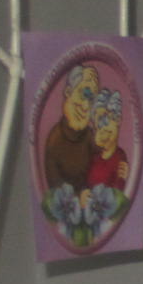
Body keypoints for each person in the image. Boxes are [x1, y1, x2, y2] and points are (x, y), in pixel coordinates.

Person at [43, 64, 99, 192]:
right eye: (84, 93)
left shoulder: (89, 137)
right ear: (68, 92)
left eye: (91, 99)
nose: (86, 106)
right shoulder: (55, 141)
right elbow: (55, 192)